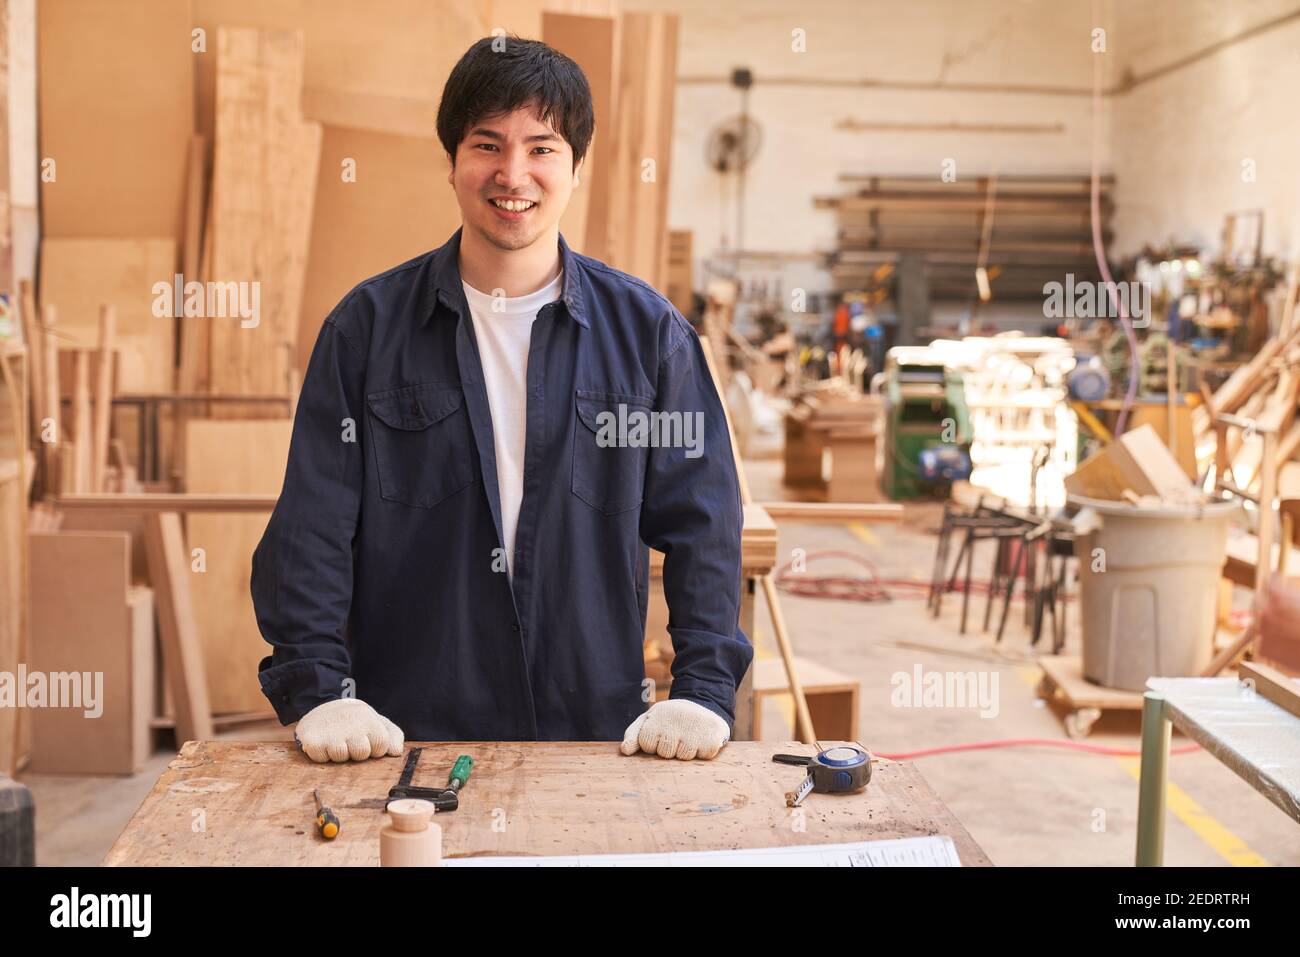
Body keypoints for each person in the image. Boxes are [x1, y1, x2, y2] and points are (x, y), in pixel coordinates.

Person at [250, 37, 751, 764]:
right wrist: (320, 689)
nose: (512, 174)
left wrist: (703, 688)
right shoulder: (366, 330)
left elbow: (704, 521)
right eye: (487, 144)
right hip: (406, 734)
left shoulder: (650, 337)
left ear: (576, 167)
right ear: (451, 161)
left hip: (592, 734)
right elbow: (313, 526)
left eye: (541, 148)